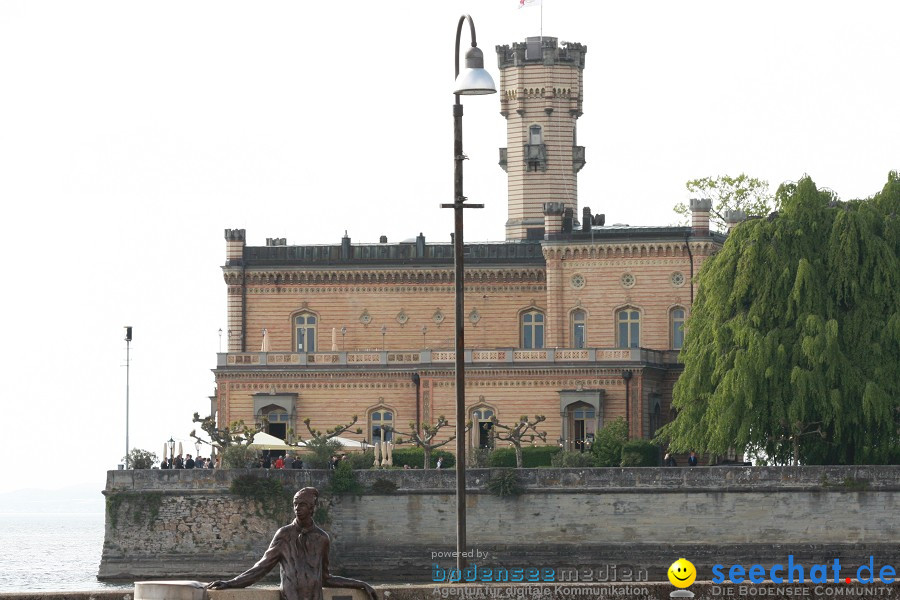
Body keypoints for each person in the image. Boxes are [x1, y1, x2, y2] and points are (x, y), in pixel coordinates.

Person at [207, 487, 377, 600]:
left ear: (312, 508)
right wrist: (231, 583)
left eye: (302, 505)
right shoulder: (284, 535)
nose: (297, 508)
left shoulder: (322, 538)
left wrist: (360, 584)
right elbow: (262, 567)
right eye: (295, 504)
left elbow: (325, 578)